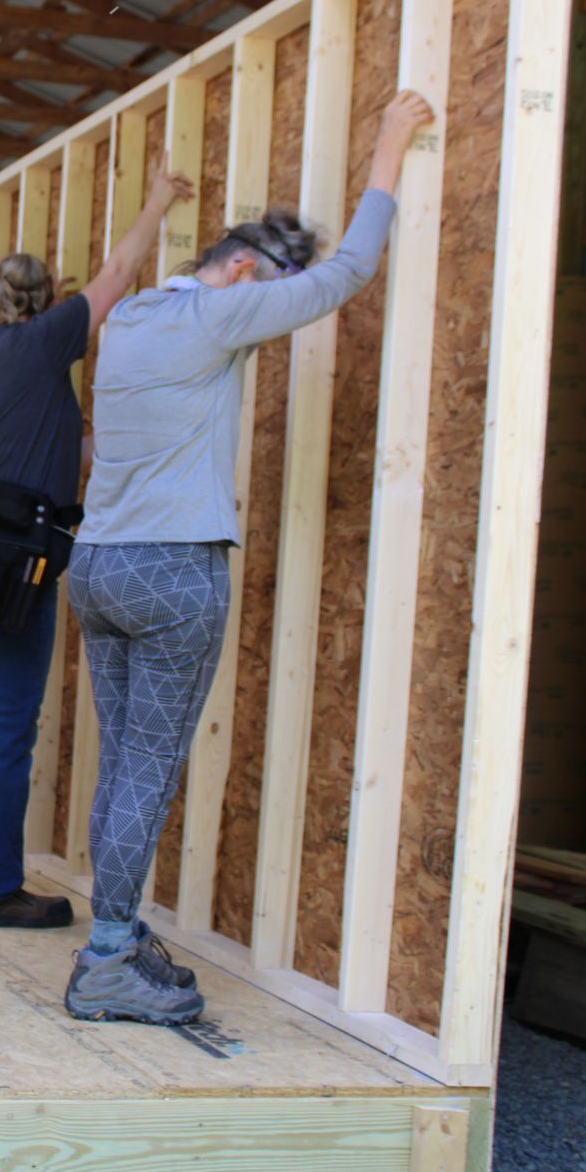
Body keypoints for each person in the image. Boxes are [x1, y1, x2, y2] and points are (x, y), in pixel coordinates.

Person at [62, 90, 436, 1026]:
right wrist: (389, 141)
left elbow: (127, 274)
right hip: (170, 572)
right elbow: (346, 274)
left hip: (97, 567)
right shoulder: (218, 316)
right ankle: (108, 957)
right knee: (149, 770)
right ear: (236, 270)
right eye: (263, 285)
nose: (268, 307)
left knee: (122, 767)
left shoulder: (137, 318)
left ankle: (117, 935)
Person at [0, 163, 195, 930]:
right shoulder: (46, 347)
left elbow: (50, 446)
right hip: (14, 557)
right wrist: (160, 197)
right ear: (48, 307)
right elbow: (118, 273)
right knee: (8, 728)